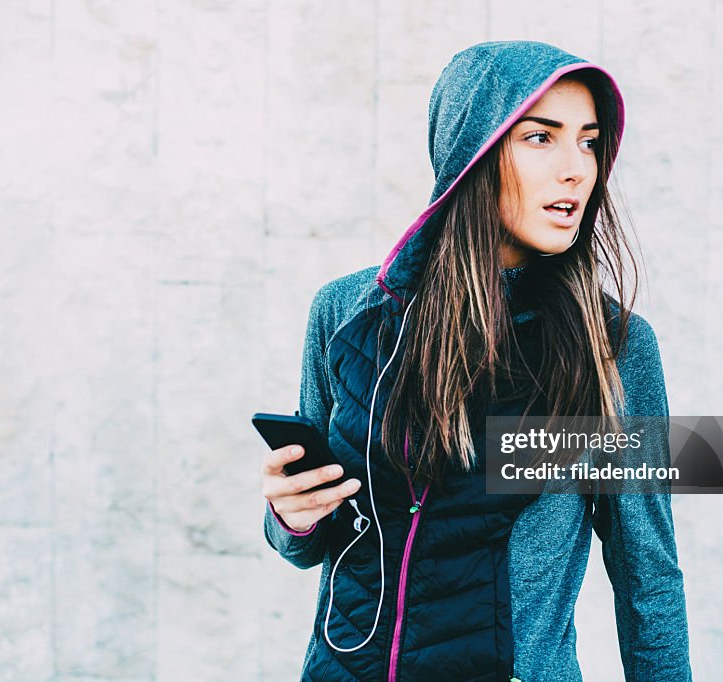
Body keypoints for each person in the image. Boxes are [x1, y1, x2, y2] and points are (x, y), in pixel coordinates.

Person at [260, 40, 691, 682]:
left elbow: (646, 572)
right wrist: (289, 518)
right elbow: (313, 541)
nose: (577, 169)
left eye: (589, 141)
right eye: (540, 138)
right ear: (472, 151)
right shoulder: (345, 313)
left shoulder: (613, 345)